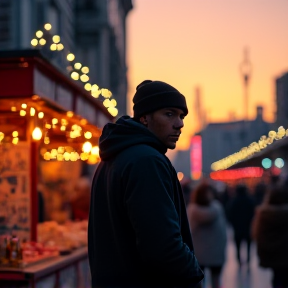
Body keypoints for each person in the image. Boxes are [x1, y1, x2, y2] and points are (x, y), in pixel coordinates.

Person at [88, 80, 204, 288]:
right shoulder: (147, 161)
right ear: (144, 118)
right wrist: (194, 273)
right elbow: (162, 246)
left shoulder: (110, 160)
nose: (179, 124)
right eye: (169, 114)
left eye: (181, 116)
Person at [186, 181, 227, 288]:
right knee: (216, 280)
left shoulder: (192, 210)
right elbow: (223, 230)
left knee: (199, 281)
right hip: (216, 252)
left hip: (198, 253)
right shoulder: (217, 208)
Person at [252, 184, 288, 288]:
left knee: (277, 278)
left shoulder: (263, 214)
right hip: (286, 253)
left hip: (272, 254)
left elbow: (255, 233)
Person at [226, 183, 256, 267]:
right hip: (248, 226)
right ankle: (248, 259)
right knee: (249, 244)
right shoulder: (250, 200)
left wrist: (233, 223)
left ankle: (239, 259)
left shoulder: (233, 201)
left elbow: (230, 214)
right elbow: (254, 213)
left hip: (237, 227)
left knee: (238, 245)